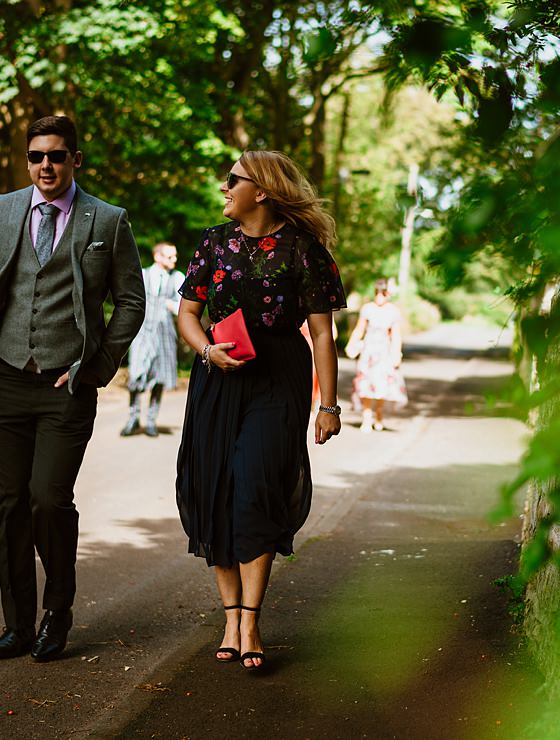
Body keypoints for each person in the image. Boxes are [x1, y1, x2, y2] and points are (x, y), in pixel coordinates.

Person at [0, 115, 145, 663]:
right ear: (27, 161)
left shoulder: (108, 220)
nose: (45, 165)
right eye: (36, 157)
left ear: (76, 159)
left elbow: (131, 301)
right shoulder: (0, 211)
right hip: (5, 377)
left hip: (66, 385)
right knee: (9, 505)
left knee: (48, 500)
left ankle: (58, 611)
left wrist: (96, 367)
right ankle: (18, 625)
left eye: (56, 155)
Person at [175, 150, 346, 671]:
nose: (224, 188)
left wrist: (329, 405)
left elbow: (321, 333)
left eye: (233, 180)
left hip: (278, 380)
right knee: (216, 493)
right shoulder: (213, 242)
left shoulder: (304, 251)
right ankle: (229, 617)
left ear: (263, 190)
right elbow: (187, 313)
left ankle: (251, 620)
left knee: (255, 488)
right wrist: (206, 350)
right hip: (218, 378)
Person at [122, 241, 185, 437]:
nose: (174, 260)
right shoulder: (143, 274)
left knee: (159, 376)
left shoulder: (177, 278)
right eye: (169, 256)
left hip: (164, 332)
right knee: (136, 374)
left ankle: (151, 421)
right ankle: (133, 418)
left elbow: (183, 308)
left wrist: (170, 305)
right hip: (142, 331)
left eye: (174, 256)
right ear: (157, 257)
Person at [347, 279, 408, 432]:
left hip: (384, 352)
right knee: (365, 384)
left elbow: (396, 336)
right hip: (369, 351)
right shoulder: (368, 309)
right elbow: (359, 329)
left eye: (383, 293)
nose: (379, 296)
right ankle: (367, 417)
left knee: (381, 384)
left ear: (388, 294)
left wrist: (396, 355)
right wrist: (352, 343)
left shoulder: (393, 311)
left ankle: (379, 413)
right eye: (377, 293)